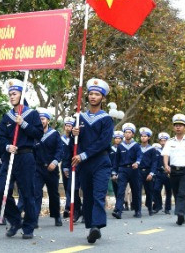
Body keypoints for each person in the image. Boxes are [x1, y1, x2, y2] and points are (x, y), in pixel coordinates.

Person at [70, 78, 115, 244]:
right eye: (91, 94)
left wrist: (84, 155)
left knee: (98, 194)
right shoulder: (79, 118)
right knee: (87, 195)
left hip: (101, 162)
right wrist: (73, 134)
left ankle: (96, 226)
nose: (93, 96)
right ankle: (91, 226)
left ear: (102, 98)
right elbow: (73, 145)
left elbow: (104, 142)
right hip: (84, 164)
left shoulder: (106, 119)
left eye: (97, 94)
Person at [0, 79, 42, 240]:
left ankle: (29, 226)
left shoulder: (32, 114)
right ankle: (16, 220)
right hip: (10, 157)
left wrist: (23, 124)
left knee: (27, 192)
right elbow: (1, 138)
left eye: (14, 93)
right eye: (9, 94)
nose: (11, 97)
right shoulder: (7, 117)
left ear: (22, 95)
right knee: (1, 190)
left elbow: (38, 134)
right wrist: (7, 146)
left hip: (26, 156)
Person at [112, 122, 143, 219]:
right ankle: (118, 211)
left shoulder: (136, 146)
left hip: (134, 170)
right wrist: (114, 172)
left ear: (133, 134)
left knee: (136, 190)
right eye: (126, 132)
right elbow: (116, 161)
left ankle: (137, 210)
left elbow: (140, 156)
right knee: (120, 190)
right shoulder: (120, 146)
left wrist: (137, 162)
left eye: (129, 132)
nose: (127, 134)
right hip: (123, 170)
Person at [61, 116, 81, 222]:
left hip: (82, 164)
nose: (69, 128)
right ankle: (74, 209)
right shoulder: (63, 139)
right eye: (67, 126)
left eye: (71, 126)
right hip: (70, 165)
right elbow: (67, 154)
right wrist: (65, 166)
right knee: (71, 189)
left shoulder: (79, 137)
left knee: (85, 190)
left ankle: (82, 210)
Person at [137, 127, 159, 215]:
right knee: (137, 191)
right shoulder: (137, 147)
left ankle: (150, 208)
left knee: (149, 191)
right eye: (142, 136)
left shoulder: (152, 149)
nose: (143, 138)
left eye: (145, 136)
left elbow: (154, 162)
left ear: (149, 137)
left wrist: (151, 173)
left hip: (148, 172)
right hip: (138, 171)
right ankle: (138, 210)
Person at [152, 132, 172, 213]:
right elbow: (154, 162)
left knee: (168, 191)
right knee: (156, 189)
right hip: (159, 173)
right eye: (161, 140)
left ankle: (167, 209)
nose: (163, 142)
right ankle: (158, 205)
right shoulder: (156, 151)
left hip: (168, 174)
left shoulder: (171, 151)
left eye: (165, 140)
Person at [109, 131, 123, 210]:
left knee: (121, 188)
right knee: (115, 188)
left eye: (119, 138)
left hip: (121, 170)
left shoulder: (123, 148)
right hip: (112, 170)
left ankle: (120, 205)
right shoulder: (111, 149)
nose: (117, 140)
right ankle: (119, 203)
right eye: (116, 138)